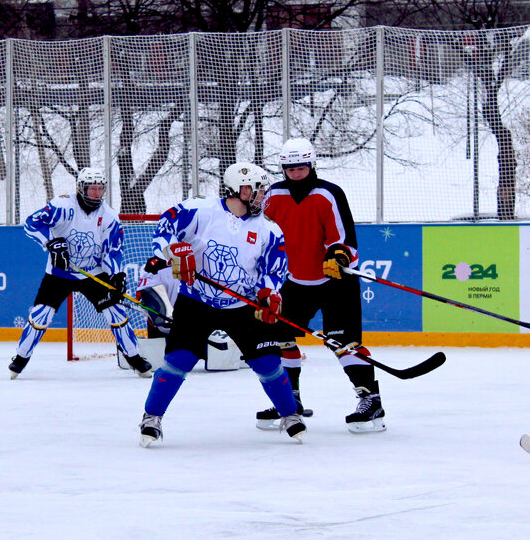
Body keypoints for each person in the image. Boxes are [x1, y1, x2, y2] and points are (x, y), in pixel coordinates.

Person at [136, 162, 304, 447]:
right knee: (179, 360)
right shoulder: (200, 210)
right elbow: (165, 226)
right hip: (196, 300)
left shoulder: (269, 229)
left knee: (267, 362)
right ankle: (151, 417)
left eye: (264, 189)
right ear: (238, 189)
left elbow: (275, 270)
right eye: (257, 189)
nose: (263, 195)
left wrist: (268, 293)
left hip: (243, 305)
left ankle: (290, 415)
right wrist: (172, 251)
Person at [256, 137, 385, 434]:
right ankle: (290, 401)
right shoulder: (273, 196)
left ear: (311, 164)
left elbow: (344, 237)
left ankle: (371, 400)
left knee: (345, 344)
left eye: (301, 167)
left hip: (334, 282)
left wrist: (337, 255)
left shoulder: (328, 194)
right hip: (292, 282)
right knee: (279, 338)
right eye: (290, 168)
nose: (296, 172)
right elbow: (262, 233)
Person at [9, 168, 153, 379]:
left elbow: (112, 250)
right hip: (59, 273)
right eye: (92, 188)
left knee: (116, 313)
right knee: (41, 315)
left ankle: (134, 358)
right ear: (81, 188)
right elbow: (32, 223)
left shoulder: (110, 216)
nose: (96, 193)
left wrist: (116, 276)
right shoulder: (62, 205)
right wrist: (52, 242)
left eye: (100, 188)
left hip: (93, 274)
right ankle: (21, 358)